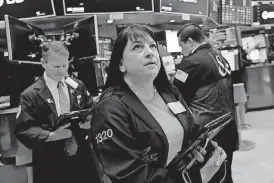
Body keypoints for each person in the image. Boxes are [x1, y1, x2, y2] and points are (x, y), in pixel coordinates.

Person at [90, 24, 227, 183]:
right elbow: (129, 175)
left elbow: (191, 132)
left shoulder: (170, 93)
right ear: (121, 64)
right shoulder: (110, 110)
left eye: (153, 46)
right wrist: (194, 178)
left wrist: (201, 150)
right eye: (137, 47)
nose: (149, 52)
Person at [15, 41, 101, 183]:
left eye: (64, 65)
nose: (61, 71)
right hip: (50, 161)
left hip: (82, 156)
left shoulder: (78, 86)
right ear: (43, 63)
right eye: (56, 66)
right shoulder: (30, 94)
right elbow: (23, 129)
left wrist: (89, 122)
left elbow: (91, 110)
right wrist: (52, 135)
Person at [173, 23, 239, 183]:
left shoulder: (190, 63)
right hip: (228, 128)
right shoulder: (220, 57)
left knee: (209, 177)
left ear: (189, 42)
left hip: (206, 136)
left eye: (181, 46)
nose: (182, 51)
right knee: (225, 173)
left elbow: (175, 98)